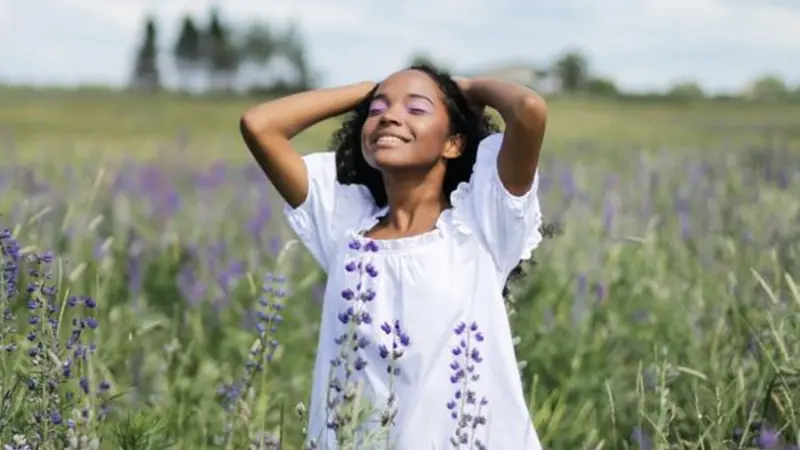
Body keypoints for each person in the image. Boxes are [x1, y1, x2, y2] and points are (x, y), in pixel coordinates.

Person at [240, 64, 547, 449]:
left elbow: (529, 109)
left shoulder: (482, 223)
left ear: (453, 143)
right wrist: (365, 90)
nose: (390, 116)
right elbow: (259, 125)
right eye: (376, 111)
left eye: (416, 109)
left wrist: (463, 87)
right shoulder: (345, 222)